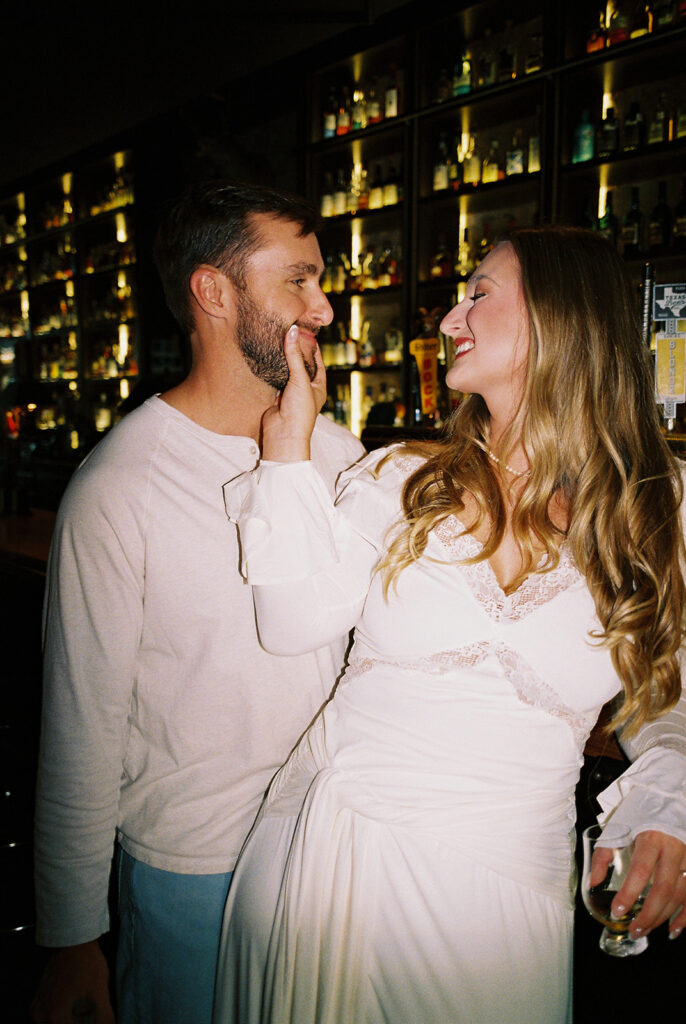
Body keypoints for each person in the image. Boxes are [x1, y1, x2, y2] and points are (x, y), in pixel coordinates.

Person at [213, 226, 686, 1024]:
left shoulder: (659, 504)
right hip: (335, 858)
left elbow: (665, 698)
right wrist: (287, 446)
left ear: (565, 315)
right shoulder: (403, 477)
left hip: (503, 895)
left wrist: (667, 804)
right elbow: (290, 624)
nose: (448, 319)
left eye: (479, 294)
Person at [30, 181, 365, 1024]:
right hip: (194, 875)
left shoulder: (341, 453)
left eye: (321, 279)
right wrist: (73, 939)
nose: (323, 307)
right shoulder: (120, 485)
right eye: (297, 280)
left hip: (333, 856)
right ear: (213, 291)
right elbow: (79, 724)